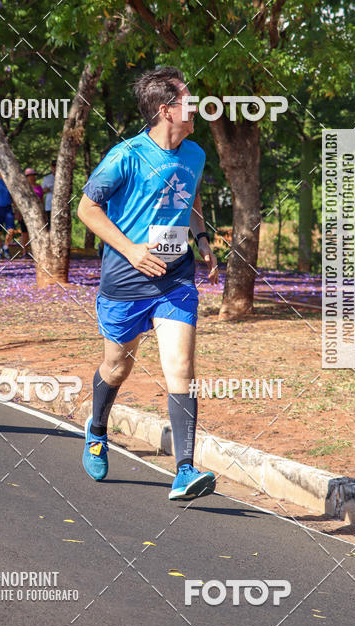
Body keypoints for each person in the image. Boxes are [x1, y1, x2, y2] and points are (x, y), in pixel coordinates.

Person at [77, 67, 219, 501]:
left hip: (175, 279)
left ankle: (184, 469)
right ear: (166, 110)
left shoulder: (194, 153)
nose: (197, 107)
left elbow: (189, 200)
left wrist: (201, 238)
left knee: (181, 369)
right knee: (118, 367)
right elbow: (87, 209)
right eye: (189, 100)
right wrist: (132, 249)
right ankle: (97, 428)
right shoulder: (126, 156)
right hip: (125, 279)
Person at [17, 167, 44, 258]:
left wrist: (43, 212)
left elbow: (41, 200)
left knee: (36, 233)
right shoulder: (23, 188)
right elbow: (20, 201)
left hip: (37, 213)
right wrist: (19, 213)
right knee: (25, 234)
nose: (32, 177)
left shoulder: (39, 187)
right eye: (30, 176)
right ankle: (25, 252)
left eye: (33, 175)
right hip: (25, 213)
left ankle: (35, 252)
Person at [42, 159, 56, 228]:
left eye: (56, 165)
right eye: (53, 166)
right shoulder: (47, 177)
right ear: (51, 167)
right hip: (49, 205)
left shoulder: (65, 177)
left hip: (60, 205)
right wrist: (46, 190)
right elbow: (42, 191)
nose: (55, 167)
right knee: (49, 225)